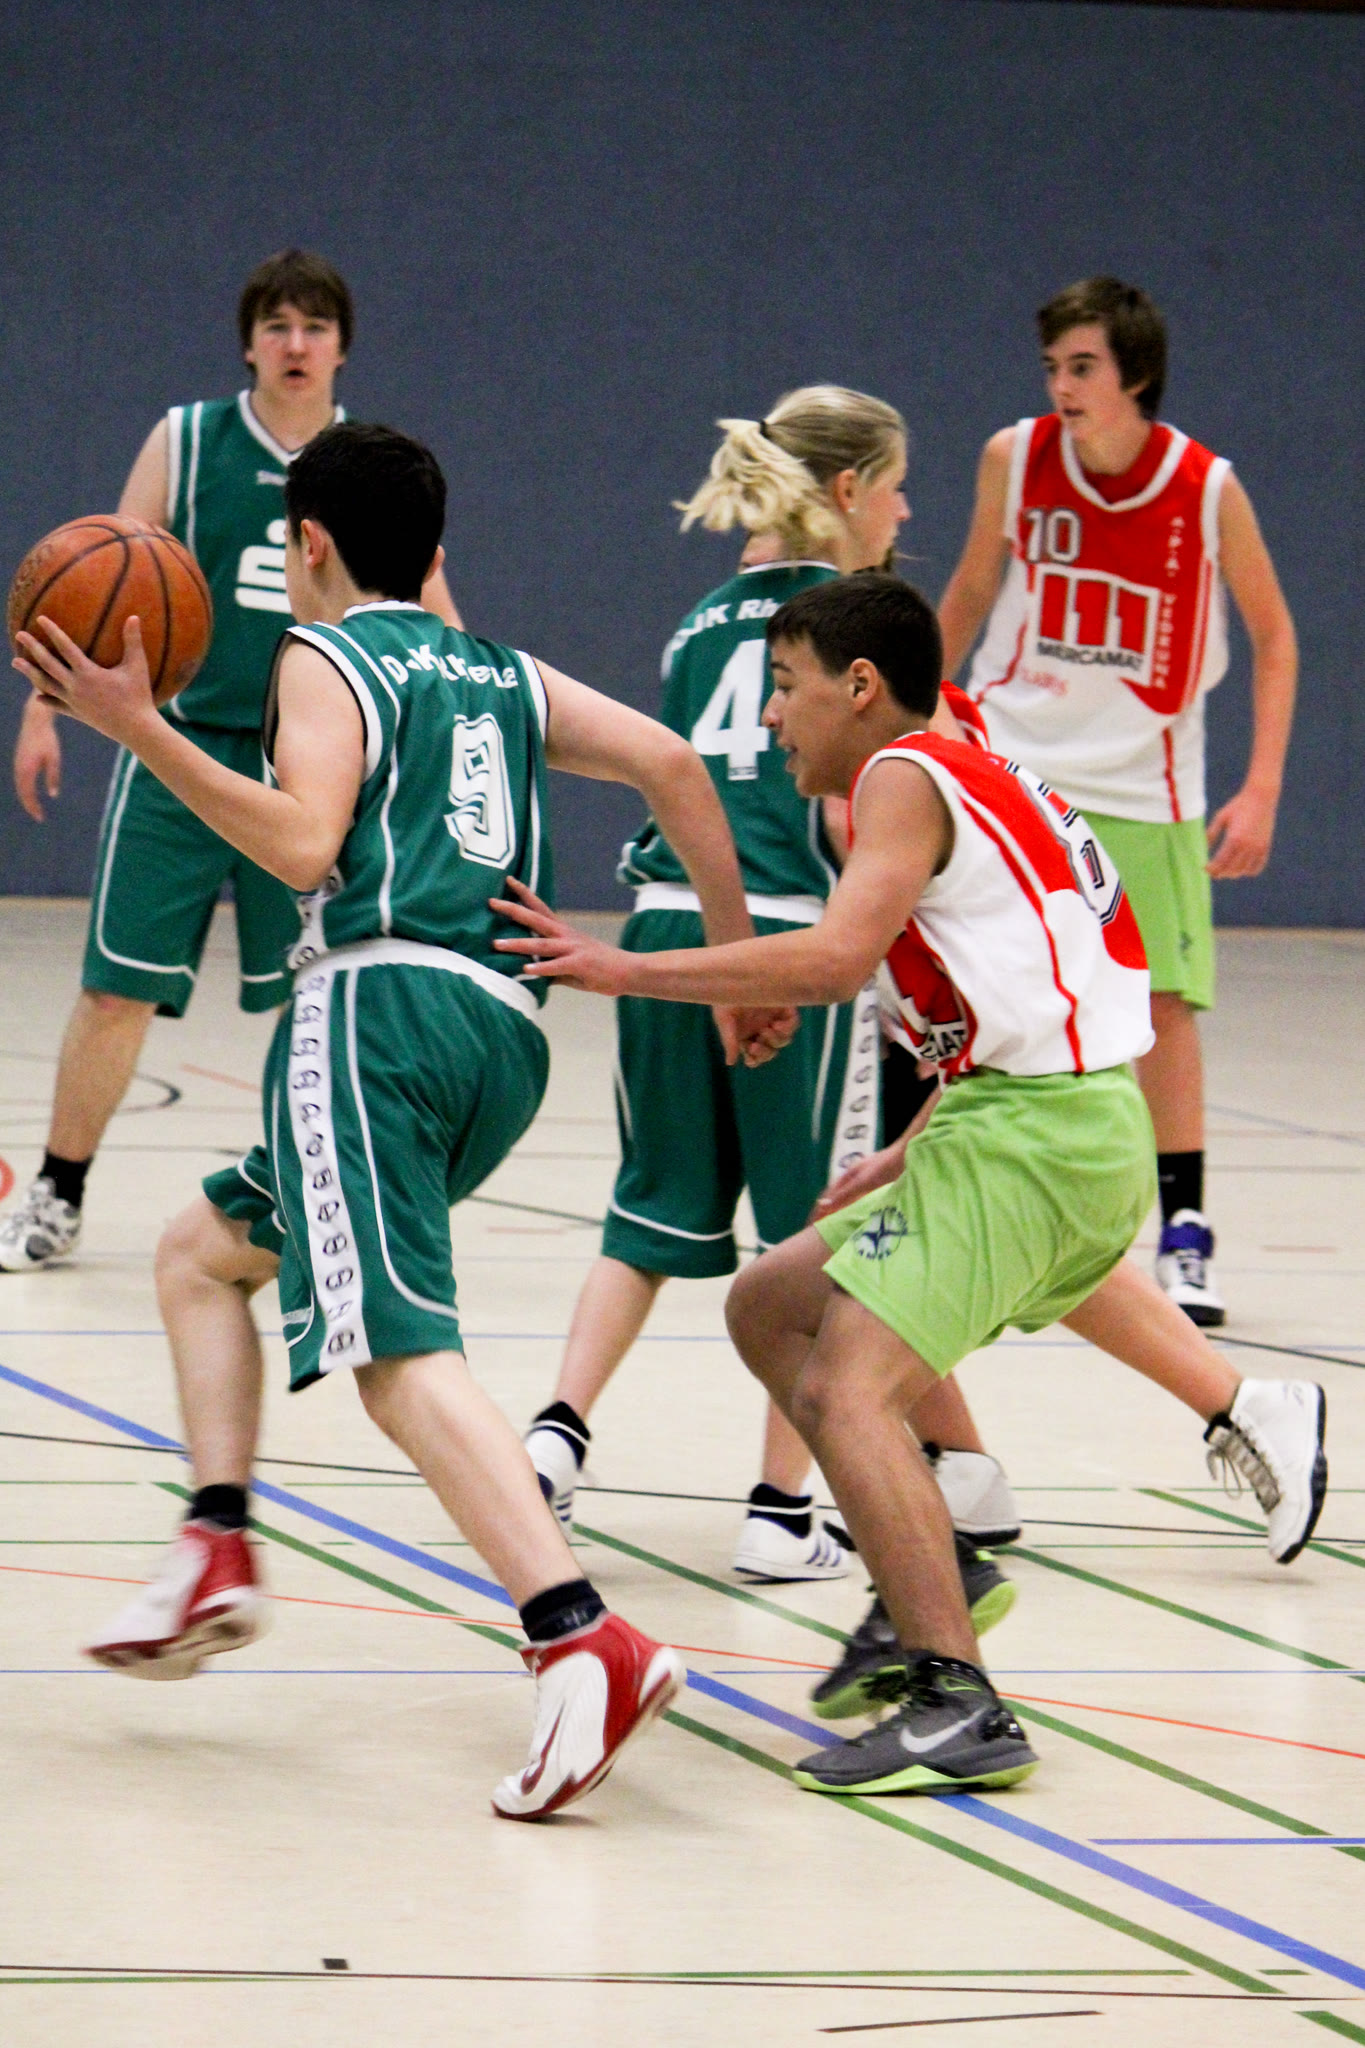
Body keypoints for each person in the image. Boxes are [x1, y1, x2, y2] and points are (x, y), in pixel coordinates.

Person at [12, 421, 782, 1821]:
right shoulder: (501, 670)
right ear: (432, 549)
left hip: (374, 1015)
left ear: (307, 543)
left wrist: (138, 727)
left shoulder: (321, 656)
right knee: (202, 1254)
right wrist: (731, 970)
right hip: (502, 1038)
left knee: (395, 1357)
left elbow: (304, 842)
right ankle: (216, 1538)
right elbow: (676, 765)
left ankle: (580, 1637)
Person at [493, 573, 1327, 1798]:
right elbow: (1040, 982)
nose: (772, 716)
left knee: (846, 1385)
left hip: (1040, 1138)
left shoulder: (902, 775)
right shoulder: (977, 770)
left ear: (861, 687)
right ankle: (939, 1553)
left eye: (786, 685)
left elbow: (837, 961)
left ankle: (955, 1694)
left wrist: (623, 968)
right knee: (768, 1302)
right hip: (1037, 1119)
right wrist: (909, 1145)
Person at [520, 387, 1018, 1595]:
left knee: (646, 1213)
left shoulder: (697, 623)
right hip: (786, 937)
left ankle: (553, 1437)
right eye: (897, 485)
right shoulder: (854, 639)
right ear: (848, 492)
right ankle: (782, 1506)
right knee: (819, 1240)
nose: (908, 511)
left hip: (664, 916)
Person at [1, 248, 459, 1273]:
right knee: (115, 987)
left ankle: (309, 1197)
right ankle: (59, 1192)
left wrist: (458, 718)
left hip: (315, 756)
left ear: (342, 348)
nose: (295, 344)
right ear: (248, 344)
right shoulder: (187, 438)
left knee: (316, 999)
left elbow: (434, 611)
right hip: (174, 745)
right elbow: (94, 578)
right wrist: (43, 705)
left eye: (315, 327)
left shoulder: (366, 464)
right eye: (276, 326)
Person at [937, 277, 1297, 1327]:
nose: (1060, 385)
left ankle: (1183, 1234)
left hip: (1145, 778)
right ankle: (970, 1200)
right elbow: (968, 593)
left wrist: (1261, 786)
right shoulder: (1014, 458)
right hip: (1014, 761)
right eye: (1052, 366)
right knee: (977, 981)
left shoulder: (1204, 486)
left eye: (1082, 366)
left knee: (1161, 1007)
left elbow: (1274, 635)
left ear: (1134, 373)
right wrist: (915, 715)